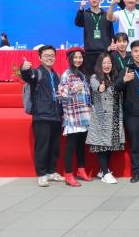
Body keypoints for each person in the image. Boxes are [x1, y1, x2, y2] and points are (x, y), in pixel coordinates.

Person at [20, 45, 65, 187]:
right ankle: (41, 174)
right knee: (42, 147)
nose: (50, 58)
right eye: (46, 55)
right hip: (42, 116)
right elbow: (28, 76)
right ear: (40, 58)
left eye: (52, 55)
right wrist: (24, 69)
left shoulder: (56, 75)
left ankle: (51, 172)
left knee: (54, 147)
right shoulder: (37, 73)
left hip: (56, 115)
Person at [115, 40, 139, 183]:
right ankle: (137, 172)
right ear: (131, 53)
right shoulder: (127, 70)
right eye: (136, 51)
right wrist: (124, 80)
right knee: (135, 145)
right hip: (132, 114)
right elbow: (116, 88)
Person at [87, 52, 125, 184]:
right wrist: (100, 87)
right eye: (104, 63)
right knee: (102, 146)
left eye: (109, 63)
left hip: (115, 115)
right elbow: (96, 87)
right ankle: (105, 173)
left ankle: (103, 170)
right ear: (99, 65)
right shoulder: (95, 77)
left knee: (110, 145)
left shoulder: (114, 77)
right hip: (102, 117)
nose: (107, 65)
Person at [58, 47, 92, 187]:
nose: (78, 60)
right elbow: (61, 95)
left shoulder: (82, 74)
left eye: (80, 57)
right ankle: (68, 174)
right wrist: (72, 89)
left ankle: (81, 170)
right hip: (73, 116)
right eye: (75, 57)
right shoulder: (66, 74)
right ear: (70, 59)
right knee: (71, 146)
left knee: (81, 145)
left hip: (84, 114)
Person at [75, 0, 114, 74]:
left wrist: (112, 46)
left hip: (104, 52)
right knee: (90, 76)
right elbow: (78, 23)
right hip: (90, 53)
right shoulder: (84, 14)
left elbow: (111, 32)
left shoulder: (106, 15)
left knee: (105, 76)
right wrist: (81, 9)